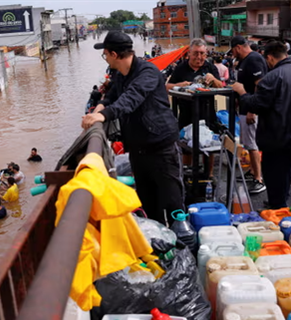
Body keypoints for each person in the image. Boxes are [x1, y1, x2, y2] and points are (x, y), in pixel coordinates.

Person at [83, 31, 184, 225]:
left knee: (173, 205)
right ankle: (157, 246)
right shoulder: (121, 74)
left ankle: (183, 247)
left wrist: (103, 116)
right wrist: (99, 108)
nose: (105, 58)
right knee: (148, 204)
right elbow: (112, 96)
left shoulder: (147, 72)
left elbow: (131, 98)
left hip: (162, 148)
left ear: (114, 54)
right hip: (138, 150)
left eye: (105, 54)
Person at [233, 40, 291, 209]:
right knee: (285, 171)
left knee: (274, 173)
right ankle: (279, 202)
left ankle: (277, 207)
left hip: (277, 134)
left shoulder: (272, 77)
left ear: (269, 58)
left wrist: (242, 92)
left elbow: (257, 104)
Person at [230, 35, 268, 194]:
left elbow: (260, 84)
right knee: (248, 142)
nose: (232, 54)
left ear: (238, 47)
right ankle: (253, 171)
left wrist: (253, 110)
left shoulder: (254, 60)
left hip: (252, 110)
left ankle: (259, 179)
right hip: (245, 107)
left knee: (252, 145)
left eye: (233, 51)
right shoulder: (245, 61)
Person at [166, 38, 223, 129]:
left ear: (206, 54)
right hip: (186, 117)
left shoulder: (210, 67)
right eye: (195, 53)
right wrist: (180, 85)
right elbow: (167, 87)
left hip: (208, 116)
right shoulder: (180, 68)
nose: (199, 57)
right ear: (189, 53)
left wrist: (213, 79)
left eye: (202, 53)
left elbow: (221, 87)